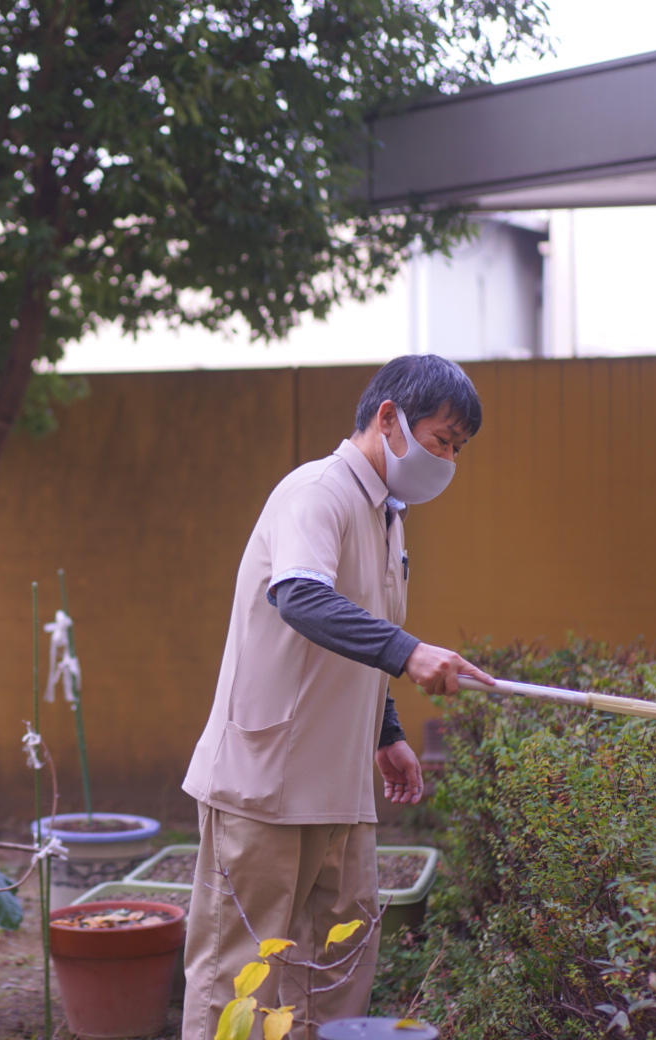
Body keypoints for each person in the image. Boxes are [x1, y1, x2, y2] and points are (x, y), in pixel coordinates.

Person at [180, 354, 493, 1040]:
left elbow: (356, 633)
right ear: (390, 418)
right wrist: (410, 653)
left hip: (342, 788)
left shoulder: (387, 517)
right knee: (239, 976)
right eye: (442, 440)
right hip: (264, 782)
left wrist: (387, 732)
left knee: (334, 970)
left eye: (458, 449)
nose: (448, 460)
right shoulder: (316, 491)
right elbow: (300, 596)